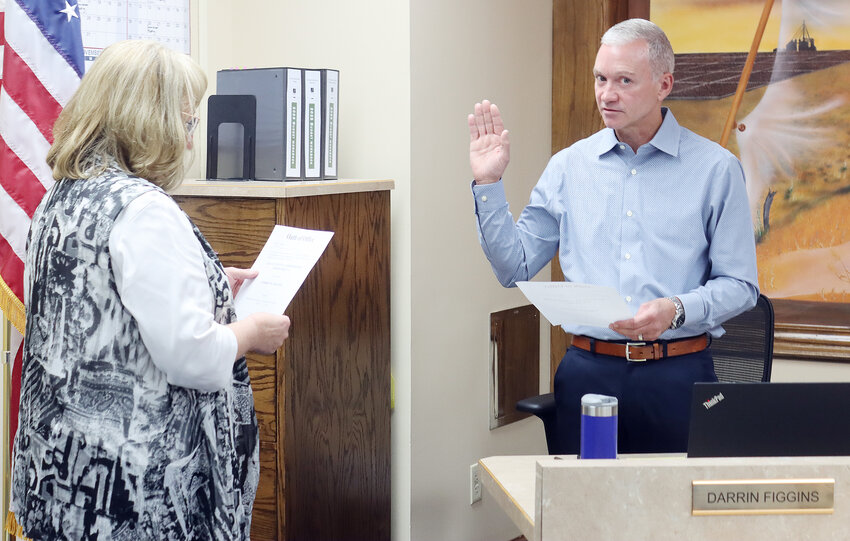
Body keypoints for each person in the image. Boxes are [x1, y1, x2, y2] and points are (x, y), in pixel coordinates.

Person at [9, 40, 291, 540]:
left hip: (59, 484)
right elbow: (194, 360)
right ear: (147, 123)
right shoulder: (146, 210)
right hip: (137, 502)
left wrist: (209, 282)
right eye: (185, 124)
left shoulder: (62, 195)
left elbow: (96, 296)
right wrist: (250, 331)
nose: (188, 142)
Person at [468, 19, 759, 454]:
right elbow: (515, 268)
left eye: (624, 80)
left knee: (675, 517)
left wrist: (676, 310)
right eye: (601, 79)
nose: (607, 94)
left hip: (677, 376)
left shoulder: (716, 170)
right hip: (588, 375)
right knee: (582, 515)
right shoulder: (568, 166)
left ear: (664, 85)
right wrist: (489, 186)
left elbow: (741, 286)